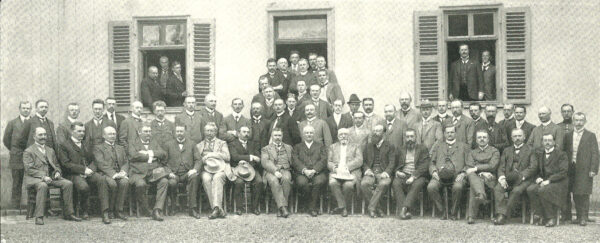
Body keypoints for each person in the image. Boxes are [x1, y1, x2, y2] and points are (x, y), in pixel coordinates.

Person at [23, 127, 81, 225]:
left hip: (51, 177)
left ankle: (68, 213)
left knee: (68, 184)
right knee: (43, 186)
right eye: (40, 135)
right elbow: (29, 169)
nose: (43, 137)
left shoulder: (50, 150)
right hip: (36, 179)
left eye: (45, 135)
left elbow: (57, 165)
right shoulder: (28, 151)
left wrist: (57, 172)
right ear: (34, 136)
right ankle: (39, 216)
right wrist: (43, 176)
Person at [57, 122, 109, 223]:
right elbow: (66, 164)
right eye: (79, 131)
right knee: (83, 186)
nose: (82, 133)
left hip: (88, 172)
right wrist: (83, 170)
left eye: (83, 131)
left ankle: (105, 212)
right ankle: (84, 210)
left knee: (102, 180)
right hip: (73, 174)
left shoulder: (86, 144)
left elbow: (94, 160)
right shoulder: (64, 145)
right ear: (72, 132)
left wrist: (90, 170)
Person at [493, 128, 536, 225]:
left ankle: (503, 216)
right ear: (512, 138)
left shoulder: (531, 150)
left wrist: (522, 176)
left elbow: (533, 167)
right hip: (508, 178)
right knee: (498, 188)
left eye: (519, 136)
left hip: (524, 180)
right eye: (515, 136)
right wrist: (502, 178)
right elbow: (501, 167)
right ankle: (500, 213)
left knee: (516, 191)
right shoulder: (506, 150)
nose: (517, 138)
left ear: (524, 137)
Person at [562, 112, 599, 226]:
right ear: (573, 121)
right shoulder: (568, 135)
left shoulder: (590, 135)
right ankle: (577, 216)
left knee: (583, 192)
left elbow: (595, 153)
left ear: (585, 122)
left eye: (581, 120)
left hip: (584, 168)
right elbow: (564, 152)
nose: (578, 122)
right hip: (571, 167)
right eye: (576, 120)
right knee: (574, 191)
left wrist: (593, 169)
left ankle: (584, 217)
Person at [427, 125, 469, 220]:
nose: (450, 134)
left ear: (456, 133)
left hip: (457, 176)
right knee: (431, 187)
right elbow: (432, 163)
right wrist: (433, 172)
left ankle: (453, 213)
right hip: (440, 176)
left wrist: (463, 173)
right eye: (447, 132)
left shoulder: (464, 146)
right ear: (444, 134)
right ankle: (442, 211)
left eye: (452, 132)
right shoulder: (438, 146)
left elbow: (469, 163)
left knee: (458, 187)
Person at [128, 124, 168, 221]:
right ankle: (145, 209)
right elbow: (133, 156)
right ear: (139, 132)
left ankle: (157, 210)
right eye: (146, 131)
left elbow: (163, 154)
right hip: (137, 173)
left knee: (164, 181)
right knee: (140, 184)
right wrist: (151, 157)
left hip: (153, 173)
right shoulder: (133, 143)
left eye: (149, 131)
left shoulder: (154, 142)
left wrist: (149, 153)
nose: (148, 134)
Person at [527, 133, 568, 227]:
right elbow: (536, 169)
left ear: (554, 142)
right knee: (531, 189)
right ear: (542, 142)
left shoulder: (561, 154)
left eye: (549, 140)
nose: (547, 143)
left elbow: (563, 172)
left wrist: (549, 180)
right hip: (543, 181)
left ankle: (550, 217)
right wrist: (537, 178)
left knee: (543, 190)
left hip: (558, 182)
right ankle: (540, 214)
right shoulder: (540, 153)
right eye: (545, 140)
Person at [93, 126, 130, 223]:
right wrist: (114, 174)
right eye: (109, 134)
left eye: (114, 134)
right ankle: (106, 212)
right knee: (112, 184)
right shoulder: (98, 148)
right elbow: (100, 163)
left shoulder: (120, 148)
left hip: (119, 173)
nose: (112, 136)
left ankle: (119, 210)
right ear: (104, 135)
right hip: (106, 174)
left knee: (125, 182)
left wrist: (123, 172)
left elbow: (126, 162)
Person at [164, 124, 202, 218]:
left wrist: (194, 169)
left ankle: (192, 208)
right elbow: (163, 162)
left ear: (185, 132)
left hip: (187, 173)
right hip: (174, 173)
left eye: (181, 131)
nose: (179, 133)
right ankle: (173, 206)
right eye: (177, 131)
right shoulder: (168, 144)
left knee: (194, 178)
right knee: (171, 183)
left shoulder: (192, 144)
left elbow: (198, 159)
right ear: (174, 132)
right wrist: (169, 172)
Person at [393, 129, 430, 220]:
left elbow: (425, 165)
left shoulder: (422, 148)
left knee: (417, 184)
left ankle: (403, 209)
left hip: (418, 175)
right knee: (396, 183)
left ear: (415, 137)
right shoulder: (400, 149)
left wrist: (413, 176)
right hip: (404, 174)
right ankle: (405, 211)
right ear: (405, 138)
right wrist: (397, 172)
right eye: (407, 137)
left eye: (411, 136)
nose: (409, 139)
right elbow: (394, 163)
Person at [464, 130, 500, 224]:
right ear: (476, 140)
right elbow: (469, 166)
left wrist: (478, 169)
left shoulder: (494, 151)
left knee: (473, 183)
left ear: (488, 139)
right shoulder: (472, 152)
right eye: (479, 137)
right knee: (472, 176)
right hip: (475, 177)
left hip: (490, 178)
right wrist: (481, 171)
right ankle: (481, 195)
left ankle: (471, 216)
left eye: (484, 137)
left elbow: (493, 165)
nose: (482, 139)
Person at [361, 125, 396, 218]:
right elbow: (363, 161)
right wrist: (367, 169)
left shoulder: (390, 146)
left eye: (378, 131)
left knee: (383, 184)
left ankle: (371, 208)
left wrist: (387, 172)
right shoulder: (368, 146)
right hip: (371, 172)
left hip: (384, 172)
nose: (375, 133)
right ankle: (378, 208)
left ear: (383, 134)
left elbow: (392, 162)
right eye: (374, 131)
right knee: (364, 184)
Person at [292, 126, 328, 216]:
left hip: (317, 172)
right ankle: (310, 206)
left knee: (319, 182)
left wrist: (314, 170)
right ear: (303, 134)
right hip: (302, 173)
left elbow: (323, 160)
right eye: (307, 133)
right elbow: (295, 160)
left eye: (311, 133)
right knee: (302, 183)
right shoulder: (297, 147)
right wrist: (304, 170)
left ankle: (311, 207)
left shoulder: (321, 146)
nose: (309, 134)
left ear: (314, 134)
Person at [198, 123, 230, 219]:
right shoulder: (199, 145)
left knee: (217, 177)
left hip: (220, 169)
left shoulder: (222, 143)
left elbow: (227, 157)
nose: (209, 133)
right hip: (206, 169)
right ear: (204, 132)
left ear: (215, 132)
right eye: (207, 131)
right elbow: (197, 160)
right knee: (206, 178)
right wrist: (204, 159)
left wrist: (213, 154)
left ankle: (215, 209)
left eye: (211, 131)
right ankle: (217, 209)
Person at [328, 128, 363, 217]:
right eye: (341, 135)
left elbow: (359, 160)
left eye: (345, 134)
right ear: (338, 136)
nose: (343, 136)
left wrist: (347, 167)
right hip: (337, 172)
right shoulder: (332, 147)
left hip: (351, 172)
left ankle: (341, 207)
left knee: (348, 185)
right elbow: (329, 162)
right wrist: (335, 169)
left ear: (349, 136)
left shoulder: (356, 146)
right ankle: (343, 207)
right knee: (333, 183)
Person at [229, 126, 264, 215]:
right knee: (239, 183)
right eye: (244, 132)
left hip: (251, 169)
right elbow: (235, 157)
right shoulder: (232, 144)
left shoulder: (253, 144)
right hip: (237, 169)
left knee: (259, 181)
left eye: (248, 132)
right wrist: (250, 157)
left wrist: (252, 160)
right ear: (238, 133)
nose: (246, 134)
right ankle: (239, 208)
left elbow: (258, 158)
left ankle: (254, 207)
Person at [3, 101, 31, 208]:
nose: (26, 110)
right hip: (16, 156)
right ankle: (15, 206)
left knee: (32, 181)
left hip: (31, 157)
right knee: (16, 182)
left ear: (30, 109)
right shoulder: (12, 123)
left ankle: (31, 206)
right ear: (19, 109)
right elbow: (6, 139)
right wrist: (14, 149)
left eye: (28, 108)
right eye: (24, 108)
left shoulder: (33, 122)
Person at [262, 128, 293, 218]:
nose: (277, 137)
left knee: (286, 179)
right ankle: (283, 208)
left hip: (285, 170)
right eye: (275, 135)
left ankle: (281, 208)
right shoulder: (266, 149)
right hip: (270, 171)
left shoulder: (289, 147)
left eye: (279, 135)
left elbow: (292, 161)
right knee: (274, 181)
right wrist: (275, 171)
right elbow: (265, 162)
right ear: (272, 136)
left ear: (282, 136)